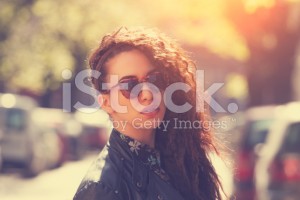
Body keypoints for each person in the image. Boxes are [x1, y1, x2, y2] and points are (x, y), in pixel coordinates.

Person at [73, 27, 225, 200]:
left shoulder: (181, 161)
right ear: (106, 103)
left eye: (154, 79)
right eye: (129, 85)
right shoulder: (100, 189)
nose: (147, 94)